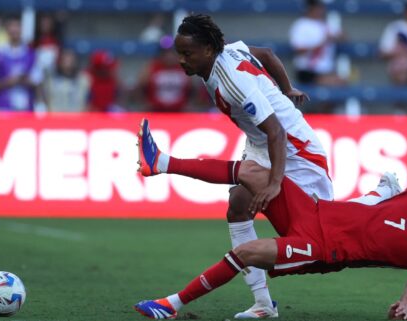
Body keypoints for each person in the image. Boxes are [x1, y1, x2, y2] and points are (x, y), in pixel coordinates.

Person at [133, 127, 407, 320]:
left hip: (320, 250)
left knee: (246, 252)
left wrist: (403, 309)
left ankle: (171, 304)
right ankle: (160, 163)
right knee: (253, 171)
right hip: (313, 211)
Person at [141, 13, 336, 318]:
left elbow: (277, 131)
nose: (180, 60)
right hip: (263, 142)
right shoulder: (229, 51)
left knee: (322, 241)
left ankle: (381, 201)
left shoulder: (232, 82)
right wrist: (286, 89)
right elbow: (267, 55)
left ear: (207, 50)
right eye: (178, 52)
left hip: (296, 152)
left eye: (186, 53)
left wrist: (273, 183)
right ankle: (262, 304)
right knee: (238, 205)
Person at [0, 14, 43, 112]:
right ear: (6, 30)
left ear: (22, 29)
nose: (14, 30)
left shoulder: (31, 55)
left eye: (17, 26)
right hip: (2, 110)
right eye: (11, 27)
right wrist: (7, 82)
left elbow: (38, 83)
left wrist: (24, 80)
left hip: (26, 111)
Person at [289, 0, 345, 87]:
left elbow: (344, 37)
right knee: (336, 84)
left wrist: (336, 37)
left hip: (326, 70)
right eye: (318, 7)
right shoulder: (301, 25)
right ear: (311, 8)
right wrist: (321, 43)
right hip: (307, 70)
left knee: (342, 82)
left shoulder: (325, 24)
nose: (321, 10)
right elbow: (298, 49)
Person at [134, 35, 193, 113]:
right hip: (156, 111)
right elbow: (140, 87)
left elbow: (192, 89)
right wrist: (145, 103)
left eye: (172, 53)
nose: (169, 56)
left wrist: (189, 104)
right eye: (166, 53)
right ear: (160, 54)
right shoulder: (152, 67)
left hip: (179, 112)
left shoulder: (184, 67)